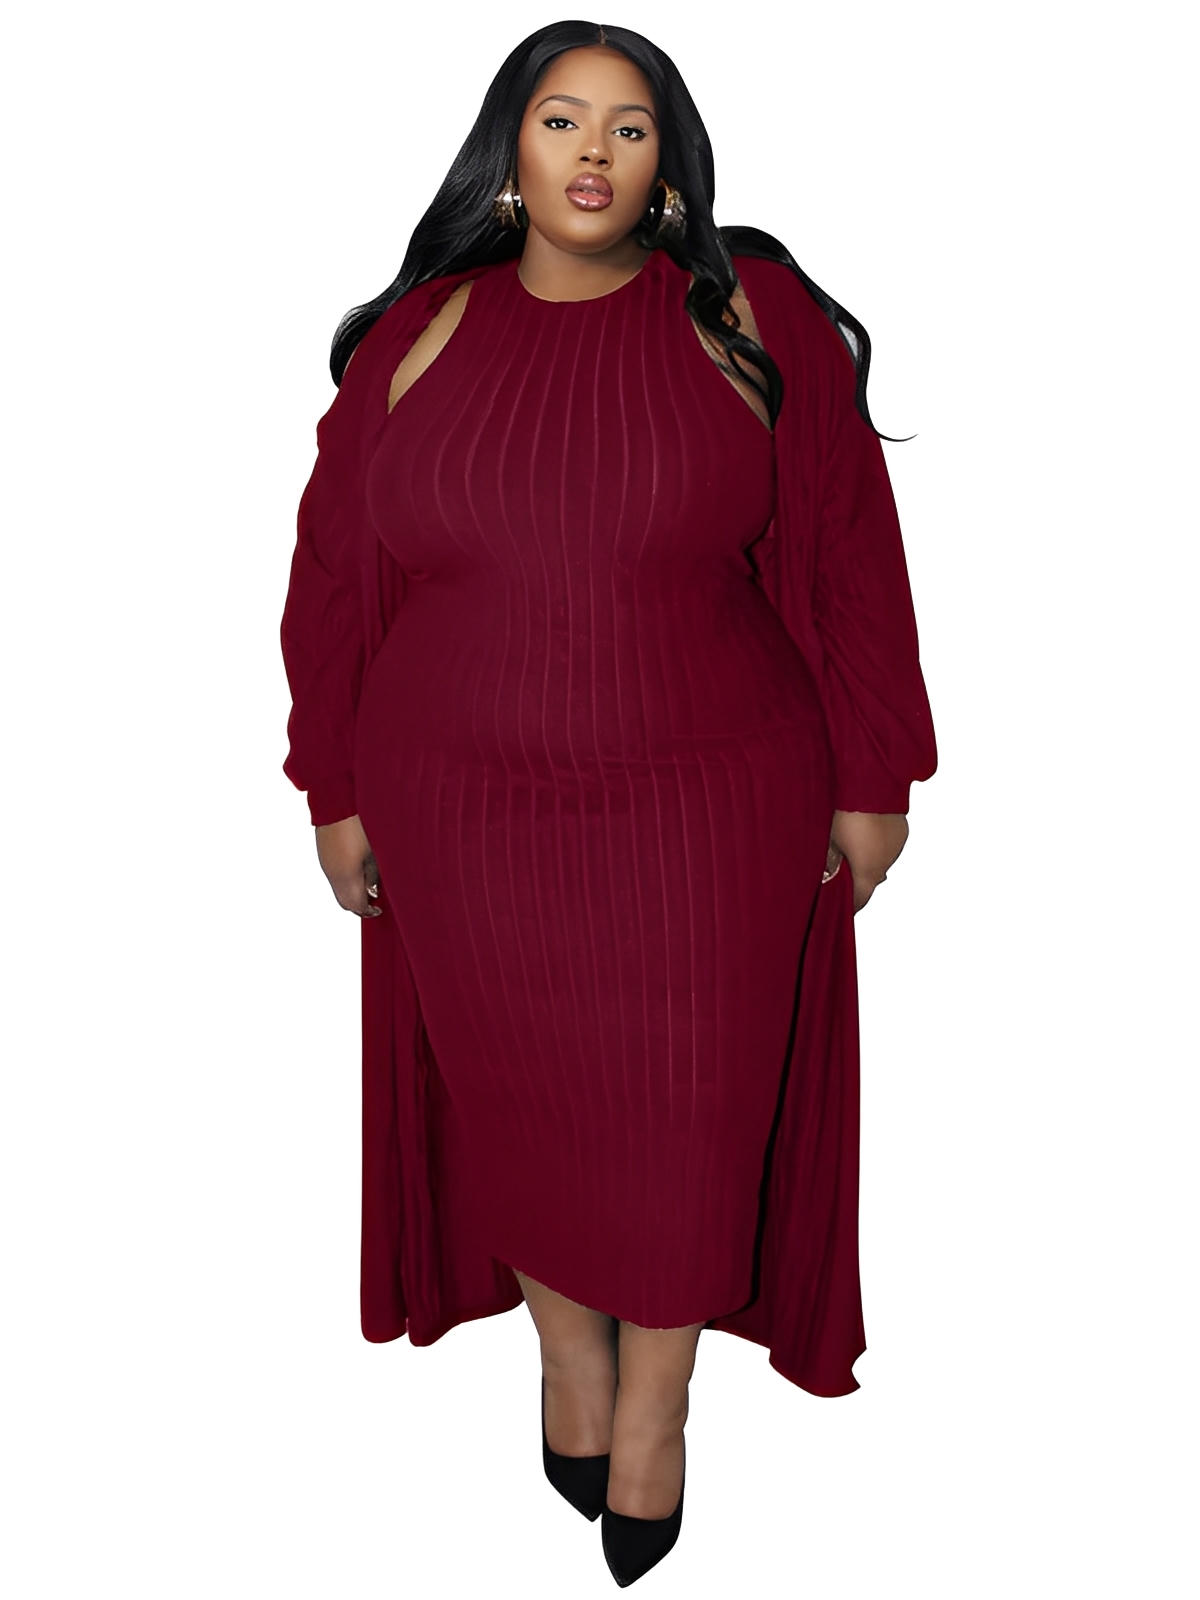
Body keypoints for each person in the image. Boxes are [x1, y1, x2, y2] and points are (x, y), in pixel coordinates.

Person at [279, 19, 937, 1587]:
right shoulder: (416, 333)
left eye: (630, 128)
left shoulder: (746, 312)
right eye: (562, 119)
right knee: (518, 1110)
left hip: (713, 804)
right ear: (507, 152)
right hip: (461, 812)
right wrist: (332, 785)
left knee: (690, 1118)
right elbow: (332, 575)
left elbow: (853, 546)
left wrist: (877, 775)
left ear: (667, 165)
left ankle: (657, 1407)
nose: (594, 150)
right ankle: (569, 1362)